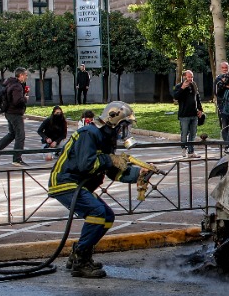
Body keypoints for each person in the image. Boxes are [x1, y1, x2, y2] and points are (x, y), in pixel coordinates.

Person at [46, 101, 155, 277]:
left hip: (78, 184)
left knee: (107, 216)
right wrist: (109, 159)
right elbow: (86, 165)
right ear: (114, 121)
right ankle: (81, 262)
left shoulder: (105, 138)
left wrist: (139, 173)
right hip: (65, 183)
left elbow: (112, 171)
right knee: (97, 212)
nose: (124, 131)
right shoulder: (89, 133)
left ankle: (79, 253)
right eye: (123, 126)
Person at [0, 68, 29, 164]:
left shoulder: (10, 83)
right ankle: (17, 159)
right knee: (20, 136)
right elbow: (17, 101)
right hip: (15, 114)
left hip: (9, 112)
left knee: (12, 134)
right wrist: (25, 98)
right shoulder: (17, 86)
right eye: (26, 75)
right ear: (21, 75)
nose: (26, 77)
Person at [171, 69, 203, 157]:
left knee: (193, 133)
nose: (190, 79)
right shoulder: (179, 86)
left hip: (194, 114)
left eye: (192, 77)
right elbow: (176, 97)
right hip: (184, 115)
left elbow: (197, 98)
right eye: (189, 77)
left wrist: (200, 109)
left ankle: (191, 151)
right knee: (184, 133)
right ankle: (183, 148)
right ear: (184, 77)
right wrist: (182, 88)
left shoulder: (193, 85)